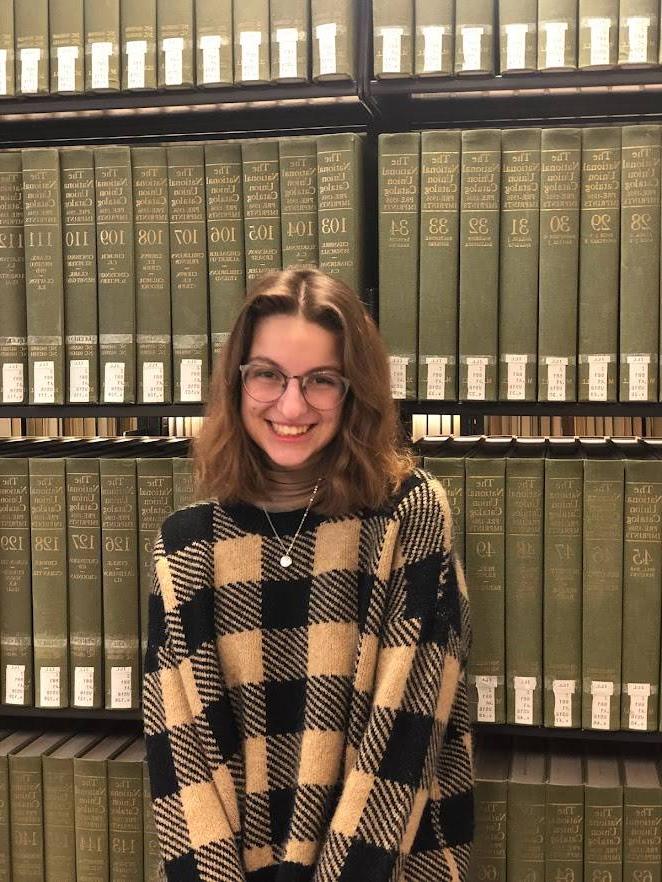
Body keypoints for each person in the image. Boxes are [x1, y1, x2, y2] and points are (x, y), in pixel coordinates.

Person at [143, 268, 473, 882]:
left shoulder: (409, 517)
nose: (291, 406)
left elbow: (405, 740)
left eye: (321, 380)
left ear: (354, 392)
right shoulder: (185, 546)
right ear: (236, 381)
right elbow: (181, 763)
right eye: (267, 374)